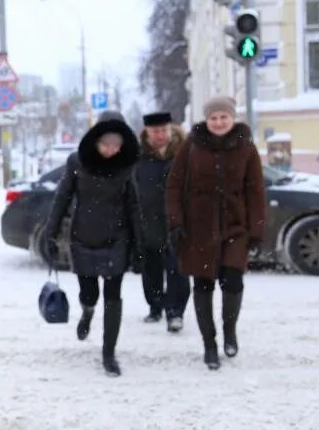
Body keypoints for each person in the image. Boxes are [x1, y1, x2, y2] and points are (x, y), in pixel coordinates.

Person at [165, 97, 266, 370]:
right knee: (204, 285)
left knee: (233, 280)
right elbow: (174, 186)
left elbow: (255, 191)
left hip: (235, 226)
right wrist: (175, 223)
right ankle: (209, 344)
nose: (218, 122)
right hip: (198, 228)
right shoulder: (192, 146)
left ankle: (229, 331)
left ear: (232, 118)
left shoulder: (246, 147)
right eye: (213, 118)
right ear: (206, 120)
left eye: (224, 117)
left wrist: (256, 231)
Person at [43, 110, 142, 377]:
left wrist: (140, 243)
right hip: (83, 237)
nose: (111, 149)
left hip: (116, 238)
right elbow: (62, 198)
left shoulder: (127, 166)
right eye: (105, 143)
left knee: (113, 296)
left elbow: (133, 205)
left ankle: (108, 353)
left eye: (116, 144)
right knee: (90, 293)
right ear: (96, 139)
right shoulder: (77, 161)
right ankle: (87, 312)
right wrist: (49, 233)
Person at [135, 112, 190, 332]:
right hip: (148, 222)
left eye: (164, 130)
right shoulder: (139, 157)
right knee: (152, 269)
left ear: (171, 129)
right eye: (155, 131)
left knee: (178, 269)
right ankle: (155, 307)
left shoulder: (183, 154)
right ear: (147, 133)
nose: (160, 135)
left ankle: (175, 313)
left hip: (178, 223)